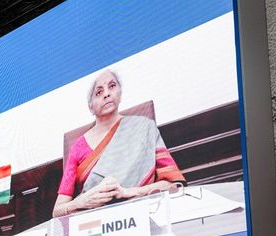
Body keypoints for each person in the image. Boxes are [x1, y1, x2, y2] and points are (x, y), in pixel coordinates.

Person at [52, 69, 186, 218]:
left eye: (112, 86)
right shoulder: (78, 147)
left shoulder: (144, 128)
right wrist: (82, 201)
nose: (107, 94)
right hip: (94, 224)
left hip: (144, 216)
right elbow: (57, 211)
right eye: (98, 92)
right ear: (90, 107)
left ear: (120, 93)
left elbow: (173, 186)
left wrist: (129, 192)